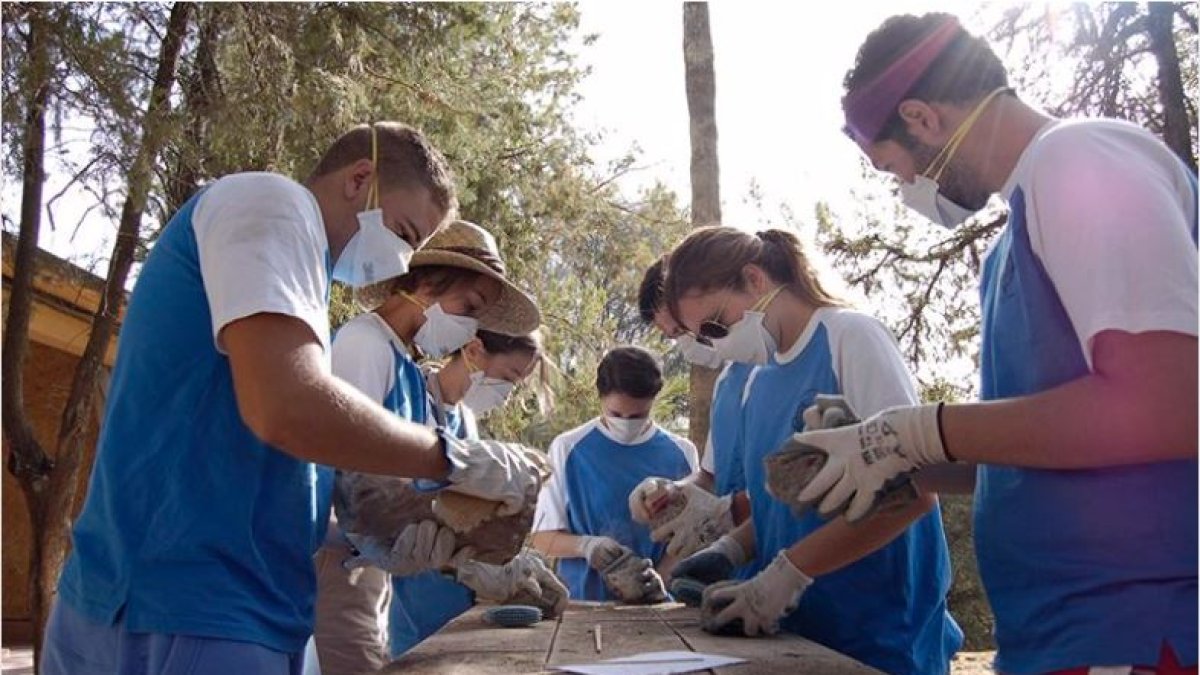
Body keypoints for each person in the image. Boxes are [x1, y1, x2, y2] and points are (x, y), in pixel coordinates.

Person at [42, 123, 543, 675]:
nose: (401, 261)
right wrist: (453, 461)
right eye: (402, 232)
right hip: (188, 607)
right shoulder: (273, 203)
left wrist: (379, 540)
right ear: (360, 179)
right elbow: (286, 407)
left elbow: (258, 474)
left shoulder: (299, 277)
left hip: (196, 605)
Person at [783, 13, 1198, 674]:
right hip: (1052, 635)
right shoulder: (1009, 244)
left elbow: (1169, 405)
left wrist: (917, 429)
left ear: (920, 117)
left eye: (892, 168)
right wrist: (889, 454)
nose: (904, 192)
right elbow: (1037, 450)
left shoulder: (1084, 159)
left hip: (1137, 628)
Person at [661, 226, 961, 674]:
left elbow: (914, 493)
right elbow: (784, 505)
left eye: (715, 324)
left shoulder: (849, 339)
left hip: (881, 630)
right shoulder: (758, 381)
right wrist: (730, 550)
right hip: (799, 633)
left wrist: (788, 574)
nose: (716, 343)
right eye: (703, 338)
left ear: (755, 279)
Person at [312, 220, 546, 671]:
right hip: (335, 561)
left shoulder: (406, 367)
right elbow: (339, 469)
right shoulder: (364, 343)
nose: (469, 325)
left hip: (368, 566)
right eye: (468, 305)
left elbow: (401, 486)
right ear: (424, 282)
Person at [388, 328, 564, 656]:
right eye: (509, 375)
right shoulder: (410, 400)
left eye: (518, 383)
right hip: (417, 599)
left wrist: (504, 562)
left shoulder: (466, 419)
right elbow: (398, 509)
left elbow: (470, 516)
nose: (508, 392)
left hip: (461, 606)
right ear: (473, 350)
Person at [531, 346, 698, 602]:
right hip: (585, 604)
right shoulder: (568, 448)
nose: (626, 422)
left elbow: (689, 537)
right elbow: (544, 538)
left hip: (659, 607)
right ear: (600, 398)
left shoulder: (682, 453)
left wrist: (659, 581)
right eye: (616, 414)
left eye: (638, 415)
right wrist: (588, 546)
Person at [627, 258, 752, 561]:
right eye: (674, 335)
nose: (687, 339)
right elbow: (709, 478)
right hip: (747, 574)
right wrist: (673, 492)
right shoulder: (728, 383)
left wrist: (733, 512)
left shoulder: (829, 345)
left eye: (683, 327)